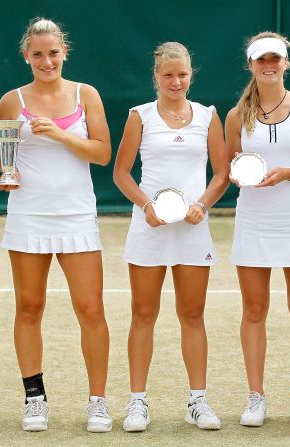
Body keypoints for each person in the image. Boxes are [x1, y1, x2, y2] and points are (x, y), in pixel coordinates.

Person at [0, 18, 112, 433]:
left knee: (91, 309)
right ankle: (35, 398)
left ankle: (98, 402)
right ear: (27, 56)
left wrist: (59, 135)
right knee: (29, 307)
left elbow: (101, 153)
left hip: (77, 215)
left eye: (53, 53)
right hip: (28, 215)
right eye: (37, 54)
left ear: (64, 53)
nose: (46, 61)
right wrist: (0, 155)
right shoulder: (11, 101)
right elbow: (2, 158)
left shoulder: (86, 94)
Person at [113, 42, 229, 432]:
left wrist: (203, 204)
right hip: (149, 229)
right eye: (168, 75)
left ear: (191, 75)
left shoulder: (208, 116)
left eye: (182, 74)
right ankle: (137, 403)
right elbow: (122, 174)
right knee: (143, 315)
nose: (175, 81)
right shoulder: (139, 117)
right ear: (156, 77)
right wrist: (147, 205)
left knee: (192, 315)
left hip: (193, 232)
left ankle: (198, 402)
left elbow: (221, 173)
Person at [224, 32, 290, 428]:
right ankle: (256, 396)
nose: (269, 64)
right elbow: (227, 168)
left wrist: (289, 173)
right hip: (253, 221)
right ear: (250, 64)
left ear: (286, 63)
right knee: (254, 310)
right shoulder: (236, 116)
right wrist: (238, 175)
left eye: (276, 58)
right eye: (260, 59)